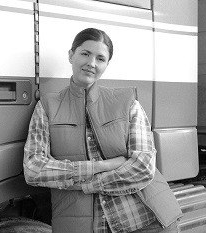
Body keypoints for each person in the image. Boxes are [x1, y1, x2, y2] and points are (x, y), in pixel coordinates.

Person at [23, 28, 182, 233]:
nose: (91, 63)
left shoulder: (127, 103)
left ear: (106, 65)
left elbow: (143, 167)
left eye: (100, 58)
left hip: (146, 221)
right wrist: (105, 165)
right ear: (71, 55)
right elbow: (34, 170)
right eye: (85, 54)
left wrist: (86, 185)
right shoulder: (47, 106)